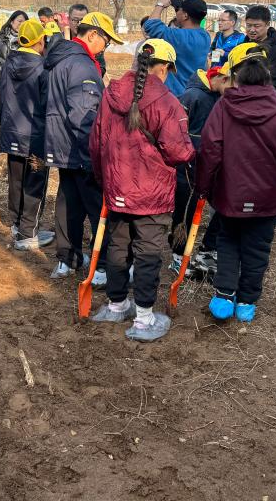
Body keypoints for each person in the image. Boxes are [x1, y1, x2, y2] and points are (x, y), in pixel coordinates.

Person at [89, 39, 194, 342]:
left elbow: (96, 143)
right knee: (148, 252)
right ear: (164, 67)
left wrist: (104, 181)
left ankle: (117, 304)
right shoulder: (167, 102)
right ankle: (145, 319)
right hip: (152, 193)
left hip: (118, 189)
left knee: (118, 247)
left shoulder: (110, 94)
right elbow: (178, 152)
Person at [196, 43, 276, 323]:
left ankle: (224, 295)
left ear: (236, 77)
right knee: (257, 249)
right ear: (268, 75)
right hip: (266, 198)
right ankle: (247, 301)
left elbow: (209, 151)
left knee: (228, 242)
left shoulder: (223, 108)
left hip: (229, 194)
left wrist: (203, 187)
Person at [43, 11, 123, 281]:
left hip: (61, 145)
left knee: (68, 202)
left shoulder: (60, 57)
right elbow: (85, 114)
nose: (105, 48)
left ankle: (68, 259)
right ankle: (102, 267)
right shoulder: (83, 65)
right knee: (96, 206)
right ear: (92, 35)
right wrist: (96, 153)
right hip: (81, 147)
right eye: (106, 42)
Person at [0, 19, 54, 251]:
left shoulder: (9, 63)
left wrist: (3, 123)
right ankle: (28, 233)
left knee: (16, 180)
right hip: (35, 137)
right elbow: (48, 103)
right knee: (35, 184)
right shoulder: (43, 68)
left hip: (11, 133)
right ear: (39, 41)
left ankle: (17, 223)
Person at [169, 65, 227, 273]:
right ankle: (178, 255)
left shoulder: (219, 98)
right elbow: (176, 131)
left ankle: (207, 249)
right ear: (221, 78)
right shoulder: (192, 97)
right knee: (186, 210)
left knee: (219, 206)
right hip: (189, 166)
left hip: (210, 163)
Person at [143, 0, 212, 96]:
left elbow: (151, 25)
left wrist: (160, 5)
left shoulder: (179, 36)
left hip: (176, 95)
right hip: (194, 94)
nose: (176, 13)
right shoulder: (205, 36)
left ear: (185, 16)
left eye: (179, 9)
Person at [243, 5, 276, 98]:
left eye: (257, 26)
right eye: (248, 25)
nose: (251, 30)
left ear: (267, 24)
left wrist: (256, 100)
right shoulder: (241, 47)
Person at [66, 3, 106, 75]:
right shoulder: (59, 40)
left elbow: (102, 68)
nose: (78, 24)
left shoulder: (93, 40)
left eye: (82, 20)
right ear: (68, 19)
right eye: (75, 20)